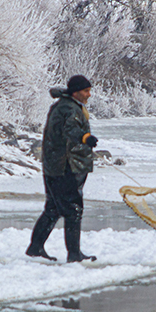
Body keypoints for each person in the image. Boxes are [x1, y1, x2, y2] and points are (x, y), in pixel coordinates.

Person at [27, 74, 98, 262]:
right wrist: (85, 138)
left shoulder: (62, 105)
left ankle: (35, 248)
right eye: (86, 91)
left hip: (54, 166)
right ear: (75, 92)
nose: (89, 94)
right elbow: (70, 130)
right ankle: (74, 254)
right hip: (65, 166)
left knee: (53, 208)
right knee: (73, 210)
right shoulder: (69, 108)